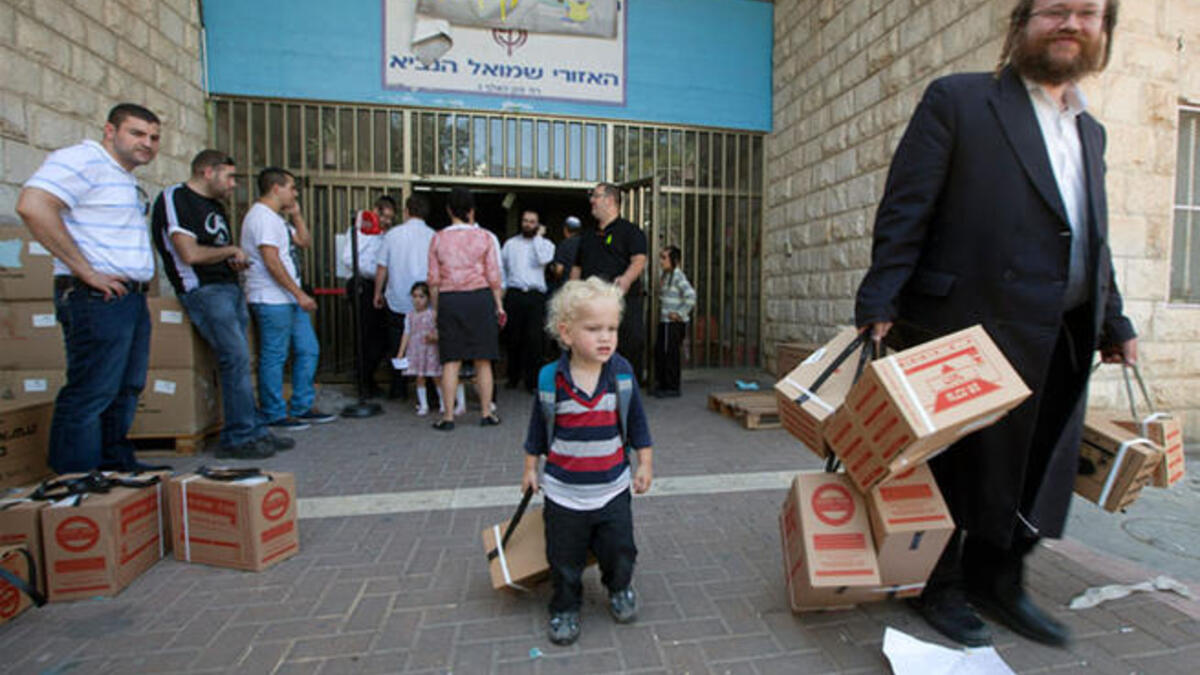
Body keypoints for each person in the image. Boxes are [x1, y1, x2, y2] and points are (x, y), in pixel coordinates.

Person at [854, 0, 1135, 648]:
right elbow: (905, 209)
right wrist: (879, 302)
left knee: (1034, 465)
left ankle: (1000, 579)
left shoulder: (1090, 131)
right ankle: (940, 584)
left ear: (1104, 29)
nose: (1071, 23)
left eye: (1088, 13)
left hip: (1061, 330)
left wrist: (1113, 319)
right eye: (1055, 10)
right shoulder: (958, 101)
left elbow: (1092, 234)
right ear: (1021, 22)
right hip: (968, 323)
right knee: (963, 465)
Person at [17, 103, 161, 473]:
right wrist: (87, 272)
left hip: (128, 296)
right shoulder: (84, 159)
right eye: (137, 133)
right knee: (91, 390)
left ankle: (113, 467)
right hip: (96, 297)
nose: (147, 143)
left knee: (126, 388)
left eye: (154, 137)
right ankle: (76, 481)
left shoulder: (123, 177)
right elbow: (33, 205)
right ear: (110, 131)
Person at [521, 278, 654, 646]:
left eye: (612, 328)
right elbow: (536, 432)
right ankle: (565, 606)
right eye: (593, 329)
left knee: (620, 551)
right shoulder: (552, 380)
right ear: (566, 332)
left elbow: (639, 425)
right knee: (564, 559)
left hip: (613, 490)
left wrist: (645, 464)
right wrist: (530, 469)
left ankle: (619, 588)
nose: (605, 337)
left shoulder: (621, 375)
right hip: (564, 494)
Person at [151, 149, 293, 459]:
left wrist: (233, 261)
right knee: (236, 358)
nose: (233, 185)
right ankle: (239, 436)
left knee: (242, 360)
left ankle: (252, 428)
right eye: (229, 177)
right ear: (207, 172)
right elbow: (189, 254)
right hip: (203, 290)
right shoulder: (176, 198)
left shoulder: (215, 207)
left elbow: (214, 251)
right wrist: (230, 250)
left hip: (228, 287)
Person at [241, 167, 337, 430]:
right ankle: (273, 413)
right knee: (275, 355)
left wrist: (297, 215)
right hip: (272, 298)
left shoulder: (277, 219)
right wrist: (299, 293)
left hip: (288, 298)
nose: (295, 193)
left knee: (308, 349)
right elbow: (271, 261)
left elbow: (304, 241)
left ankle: (302, 407)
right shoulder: (261, 217)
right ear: (276, 188)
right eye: (292, 188)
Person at [426, 187, 504, 430]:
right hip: (480, 299)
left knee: (451, 360)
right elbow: (494, 275)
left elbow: (433, 280)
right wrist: (499, 305)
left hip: (451, 300)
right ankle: (485, 414)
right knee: (483, 360)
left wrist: (437, 310)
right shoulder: (485, 237)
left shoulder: (438, 238)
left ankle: (448, 417)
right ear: (471, 210)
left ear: (449, 210)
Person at [571, 183, 648, 379]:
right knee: (592, 347)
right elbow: (577, 267)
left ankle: (628, 392)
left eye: (595, 196)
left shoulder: (631, 232)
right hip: (592, 306)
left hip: (623, 303)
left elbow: (639, 260)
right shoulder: (587, 235)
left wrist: (627, 279)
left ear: (610, 200)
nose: (591, 201)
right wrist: (571, 292)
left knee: (630, 344)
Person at [375, 194, 435, 400]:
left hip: (398, 300)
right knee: (428, 348)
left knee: (397, 345)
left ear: (407, 211)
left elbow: (382, 267)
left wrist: (377, 293)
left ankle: (398, 390)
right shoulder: (433, 236)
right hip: (426, 304)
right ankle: (430, 393)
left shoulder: (392, 235)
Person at [343, 196, 396, 398]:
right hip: (362, 284)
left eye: (391, 218)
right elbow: (349, 259)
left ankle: (368, 377)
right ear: (375, 211)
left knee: (380, 338)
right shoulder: (359, 232)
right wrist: (376, 272)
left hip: (379, 287)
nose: (387, 222)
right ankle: (363, 382)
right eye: (385, 217)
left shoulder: (385, 236)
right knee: (365, 335)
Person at [501, 209, 556, 392]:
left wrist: (538, 237)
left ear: (538, 225)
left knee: (534, 340)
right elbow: (503, 270)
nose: (528, 224)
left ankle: (532, 382)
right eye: (525, 221)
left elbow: (543, 259)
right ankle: (513, 377)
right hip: (515, 294)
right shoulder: (510, 244)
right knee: (513, 338)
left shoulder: (546, 244)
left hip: (535, 295)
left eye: (532, 222)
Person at [395, 282, 446, 416]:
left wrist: (435, 336)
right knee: (419, 377)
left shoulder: (432, 314)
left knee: (436, 376)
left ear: (428, 298)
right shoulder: (409, 316)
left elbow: (441, 330)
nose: (417, 300)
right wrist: (401, 352)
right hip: (415, 350)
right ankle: (423, 404)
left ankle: (443, 402)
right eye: (414, 296)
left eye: (421, 296)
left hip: (431, 350)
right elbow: (406, 333)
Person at [653, 245, 696, 398]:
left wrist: (679, 314)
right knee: (662, 352)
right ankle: (663, 384)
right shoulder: (666, 276)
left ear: (674, 260)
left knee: (671, 355)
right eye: (661, 257)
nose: (661, 261)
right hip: (665, 322)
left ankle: (672, 387)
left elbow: (691, 296)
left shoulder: (678, 276)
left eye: (665, 258)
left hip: (673, 324)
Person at [548, 215, 583, 294]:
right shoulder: (585, 243)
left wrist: (552, 268)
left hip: (566, 287)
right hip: (582, 287)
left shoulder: (564, 244)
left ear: (565, 229)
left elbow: (559, 270)